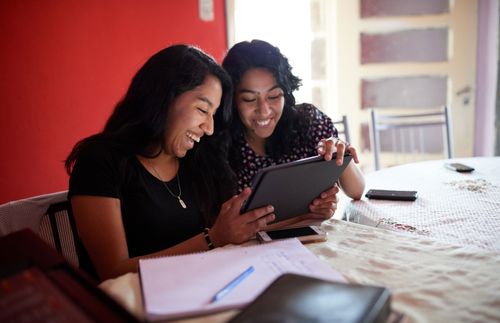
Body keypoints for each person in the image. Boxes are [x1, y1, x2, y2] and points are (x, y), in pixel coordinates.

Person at [65, 45, 276, 281]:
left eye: (213, 115)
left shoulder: (197, 162)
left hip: (198, 288)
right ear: (164, 98)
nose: (209, 128)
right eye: (202, 110)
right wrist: (212, 239)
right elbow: (113, 271)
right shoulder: (100, 161)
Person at [222, 39, 365, 219]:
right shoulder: (219, 141)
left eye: (274, 96)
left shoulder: (307, 123)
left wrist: (338, 152)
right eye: (250, 99)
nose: (264, 111)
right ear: (232, 100)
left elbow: (357, 191)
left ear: (286, 92)